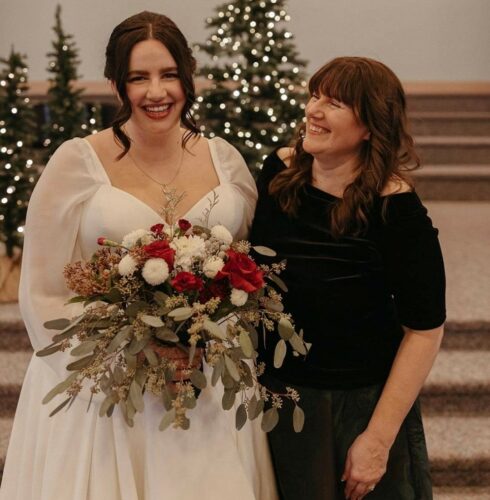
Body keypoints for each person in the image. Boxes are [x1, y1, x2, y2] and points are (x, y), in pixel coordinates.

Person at [0, 12, 278, 500]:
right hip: (111, 390)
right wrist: (128, 353)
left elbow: (247, 265)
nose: (157, 92)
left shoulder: (224, 158)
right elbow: (41, 293)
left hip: (208, 374)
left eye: (169, 74)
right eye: (138, 78)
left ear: (187, 77)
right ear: (115, 84)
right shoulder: (77, 162)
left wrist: (208, 335)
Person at [250, 56, 446, 500]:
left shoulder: (396, 210)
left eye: (334, 102)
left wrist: (377, 440)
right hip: (280, 394)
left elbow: (425, 331)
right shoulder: (279, 173)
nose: (314, 111)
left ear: (370, 126)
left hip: (359, 401)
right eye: (314, 96)